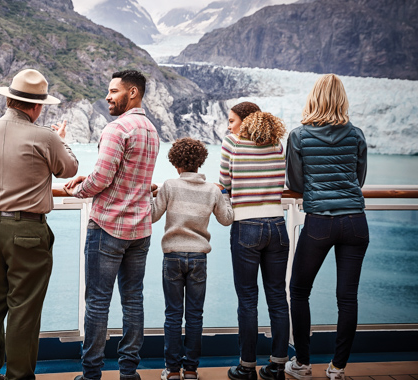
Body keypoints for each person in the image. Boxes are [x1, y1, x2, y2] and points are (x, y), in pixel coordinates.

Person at [0, 68, 78, 380]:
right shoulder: (45, 137)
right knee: (24, 308)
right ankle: (18, 377)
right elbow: (68, 169)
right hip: (28, 230)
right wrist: (61, 141)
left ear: (10, 99)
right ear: (37, 106)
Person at [65, 69, 160, 380]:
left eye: (113, 91)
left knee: (97, 301)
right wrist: (91, 177)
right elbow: (129, 177)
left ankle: (91, 373)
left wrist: (79, 189)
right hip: (140, 229)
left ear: (132, 93)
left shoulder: (117, 128)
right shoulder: (151, 130)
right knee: (133, 299)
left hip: (108, 227)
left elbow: (103, 178)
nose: (107, 96)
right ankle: (129, 372)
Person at [285, 74, 369, 380]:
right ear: (342, 100)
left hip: (320, 221)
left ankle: (303, 364)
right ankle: (337, 368)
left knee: (298, 290)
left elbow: (295, 182)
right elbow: (359, 180)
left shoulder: (299, 136)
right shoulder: (356, 134)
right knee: (347, 297)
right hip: (356, 222)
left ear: (313, 98)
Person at [151, 138, 234, 380]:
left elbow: (152, 215)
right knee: (195, 315)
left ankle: (172, 370)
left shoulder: (169, 186)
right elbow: (227, 219)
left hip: (173, 257)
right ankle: (191, 370)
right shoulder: (212, 190)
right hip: (199, 258)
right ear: (200, 162)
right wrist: (225, 193)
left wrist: (150, 194)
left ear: (175, 163)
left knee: (173, 315)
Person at [219, 103, 290, 380]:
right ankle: (277, 366)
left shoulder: (232, 143)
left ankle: (246, 366)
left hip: (246, 225)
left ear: (246, 121)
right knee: (277, 297)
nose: (229, 125)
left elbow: (225, 182)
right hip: (277, 225)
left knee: (248, 299)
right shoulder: (277, 145)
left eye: (232, 120)